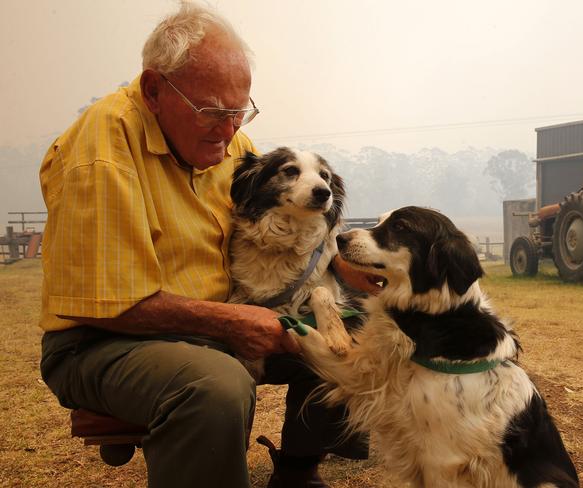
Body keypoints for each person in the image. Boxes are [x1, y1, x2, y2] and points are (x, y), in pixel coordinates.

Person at [39, 4, 375, 488]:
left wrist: (345, 267)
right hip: (104, 341)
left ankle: (298, 469)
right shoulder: (102, 153)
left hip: (213, 323)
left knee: (357, 329)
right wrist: (233, 321)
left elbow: (283, 214)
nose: (231, 127)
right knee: (214, 384)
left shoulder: (226, 141)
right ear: (154, 90)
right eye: (215, 111)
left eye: (241, 110)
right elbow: (108, 305)